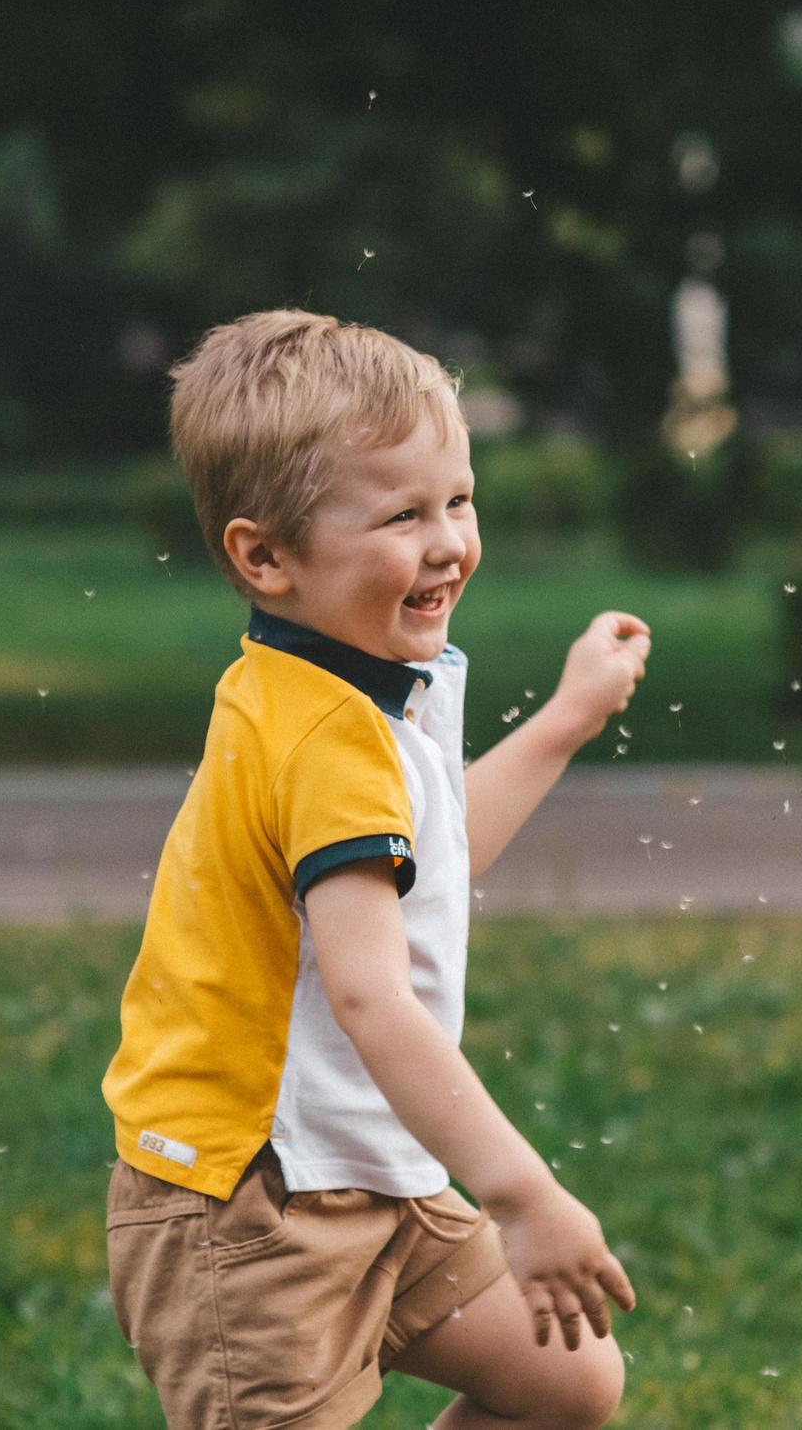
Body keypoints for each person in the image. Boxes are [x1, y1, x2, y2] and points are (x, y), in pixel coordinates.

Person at [100, 309, 648, 1430]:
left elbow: (426, 868)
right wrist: (522, 1193)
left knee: (567, 1380)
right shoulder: (323, 732)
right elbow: (369, 995)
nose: (448, 543)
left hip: (371, 1171)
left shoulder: (348, 690)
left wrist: (564, 721)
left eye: (459, 499)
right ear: (265, 557)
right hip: (255, 1208)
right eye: (403, 515)